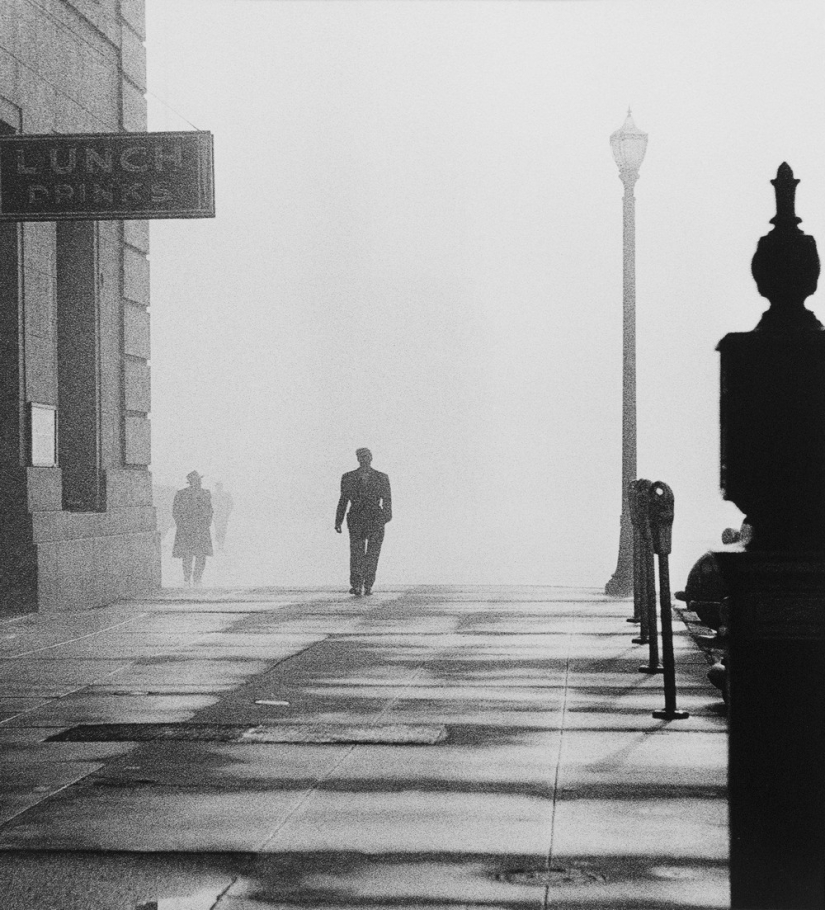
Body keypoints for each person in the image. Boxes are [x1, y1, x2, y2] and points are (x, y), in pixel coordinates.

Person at [335, 448, 392, 596]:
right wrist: (338, 520)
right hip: (356, 518)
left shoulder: (382, 477)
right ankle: (356, 584)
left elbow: (387, 499)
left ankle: (368, 585)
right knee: (356, 553)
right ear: (357, 459)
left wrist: (385, 517)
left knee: (373, 553)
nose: (364, 459)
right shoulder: (348, 477)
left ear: (371, 457)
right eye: (361, 456)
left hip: (375, 518)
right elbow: (343, 500)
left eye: (366, 456)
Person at [172, 471, 213, 587]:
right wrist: (182, 526)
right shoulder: (182, 494)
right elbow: (176, 512)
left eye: (199, 480)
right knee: (189, 555)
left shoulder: (205, 493)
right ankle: (188, 579)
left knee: (199, 555)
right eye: (197, 480)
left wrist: (206, 523)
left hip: (198, 529)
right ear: (192, 482)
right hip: (189, 530)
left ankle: (196, 579)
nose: (199, 482)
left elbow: (210, 510)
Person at [212, 482, 234, 552]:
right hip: (216, 516)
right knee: (218, 529)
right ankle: (218, 543)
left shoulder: (226, 495)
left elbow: (231, 504)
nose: (218, 487)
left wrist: (227, 513)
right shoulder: (213, 495)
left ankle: (221, 544)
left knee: (223, 530)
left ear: (222, 487)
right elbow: (210, 504)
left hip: (224, 516)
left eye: (220, 486)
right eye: (217, 486)